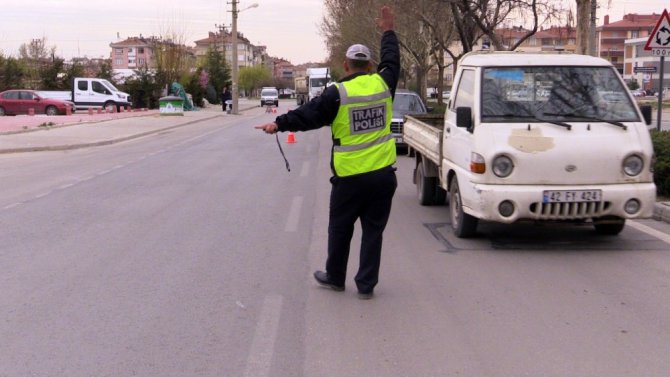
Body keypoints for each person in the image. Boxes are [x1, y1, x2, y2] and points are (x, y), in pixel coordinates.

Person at [255, 5, 399, 299]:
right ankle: (366, 285)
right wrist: (388, 31)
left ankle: (335, 277)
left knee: (340, 229)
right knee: (373, 232)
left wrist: (277, 124)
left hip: (350, 179)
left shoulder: (337, 93)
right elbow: (392, 60)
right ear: (370, 65)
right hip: (383, 176)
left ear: (345, 66)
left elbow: (307, 115)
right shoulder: (384, 83)